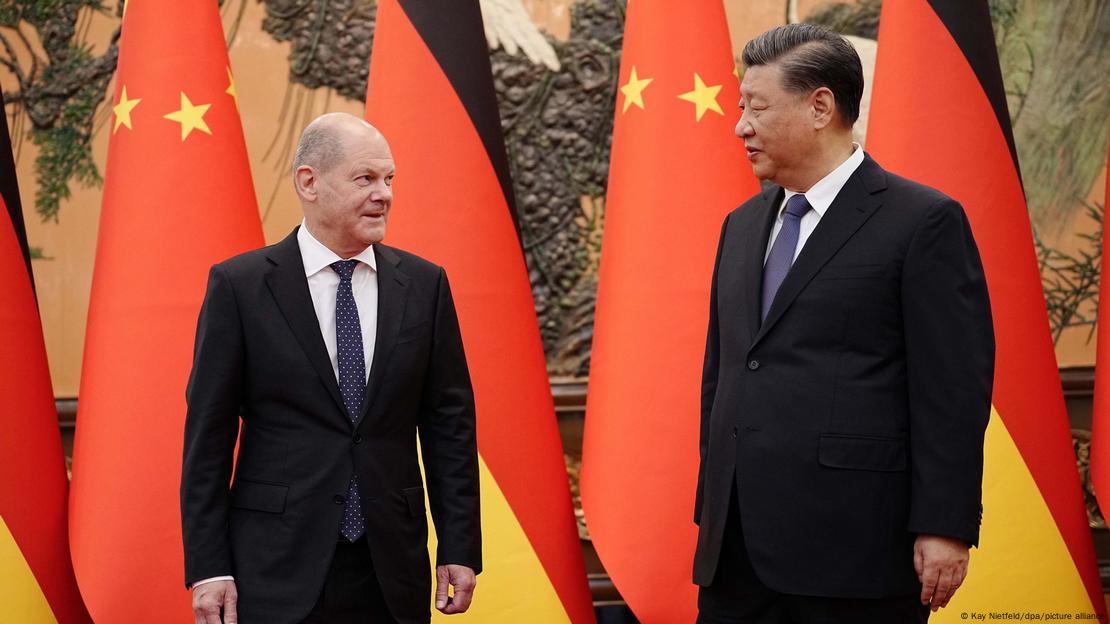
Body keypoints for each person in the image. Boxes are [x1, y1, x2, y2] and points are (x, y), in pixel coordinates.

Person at [694, 23, 994, 624]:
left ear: (820, 107)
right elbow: (724, 373)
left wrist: (945, 525)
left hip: (856, 551)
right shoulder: (741, 225)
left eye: (756, 107)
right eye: (739, 107)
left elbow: (952, 390)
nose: (740, 125)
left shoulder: (922, 222)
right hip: (736, 552)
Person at [181, 112, 481, 624]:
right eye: (365, 178)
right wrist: (208, 567)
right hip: (276, 565)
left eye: (389, 179)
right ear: (309, 182)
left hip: (391, 567)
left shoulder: (425, 285)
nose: (383, 194)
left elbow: (448, 425)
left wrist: (459, 545)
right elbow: (208, 436)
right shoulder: (242, 286)